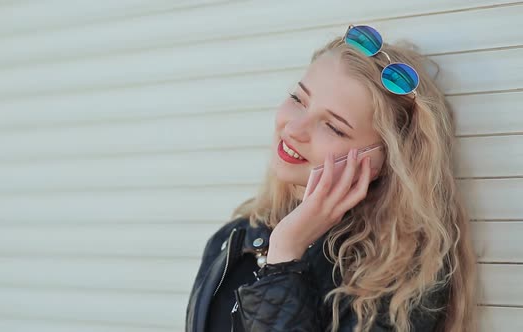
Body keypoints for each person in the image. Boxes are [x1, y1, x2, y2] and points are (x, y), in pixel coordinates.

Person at [185, 25, 478, 332]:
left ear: (385, 162)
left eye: (334, 127)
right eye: (299, 99)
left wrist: (285, 255)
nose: (295, 129)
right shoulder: (232, 241)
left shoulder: (402, 277)